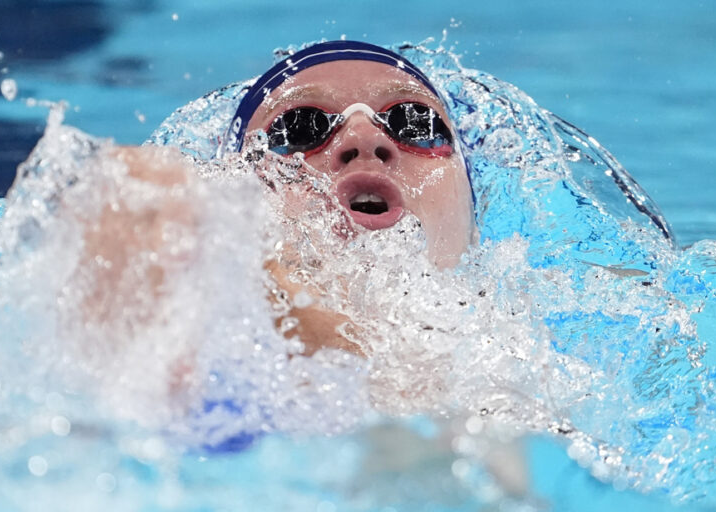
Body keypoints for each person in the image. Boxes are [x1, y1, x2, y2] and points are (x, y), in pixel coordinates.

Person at [94, 41, 478, 356]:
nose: (364, 138)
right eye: (298, 128)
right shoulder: (194, 353)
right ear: (231, 188)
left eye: (415, 122)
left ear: (474, 213)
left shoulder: (530, 360)